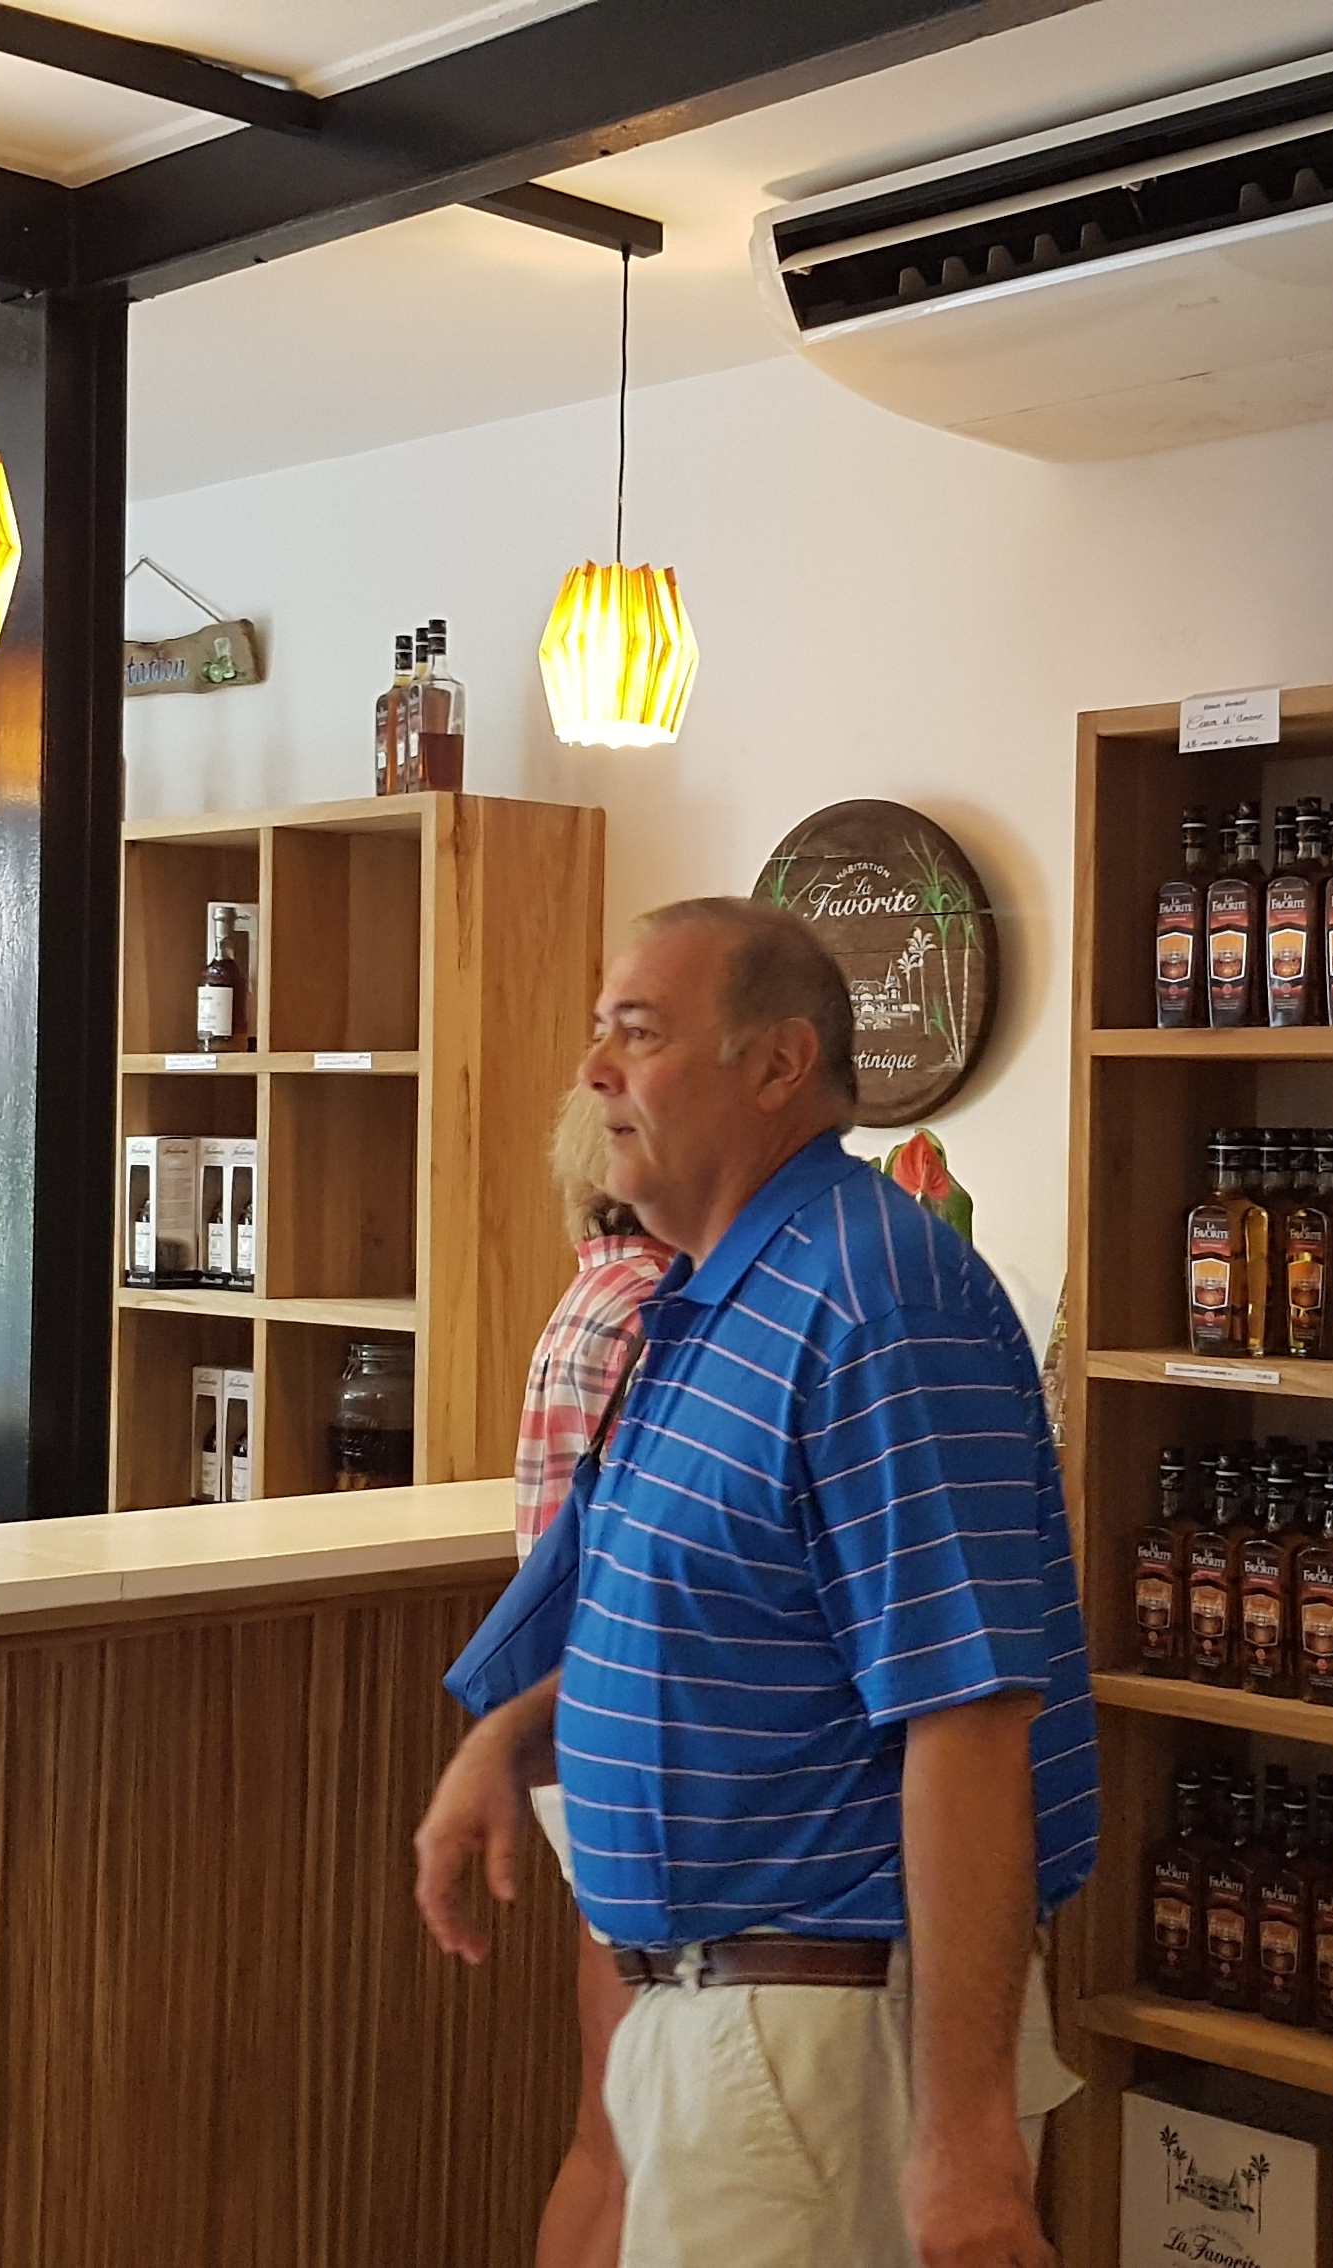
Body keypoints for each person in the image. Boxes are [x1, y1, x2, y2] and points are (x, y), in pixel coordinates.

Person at [414, 899, 1094, 2268]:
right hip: (719, 2023)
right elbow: (721, 1624)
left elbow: (966, 1717)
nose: (595, 1069)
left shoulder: (876, 1300)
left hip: (816, 2041)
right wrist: (518, 1734)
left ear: (778, 1063)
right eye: (599, 1031)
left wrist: (966, 2142)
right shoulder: (721, 1298)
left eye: (640, 1033)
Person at [510, 1085, 680, 2268]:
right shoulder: (665, 1312)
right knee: (642, 2149)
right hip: (641, 1742)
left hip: (581, 1740)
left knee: (605, 2135)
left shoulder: (593, 1295)